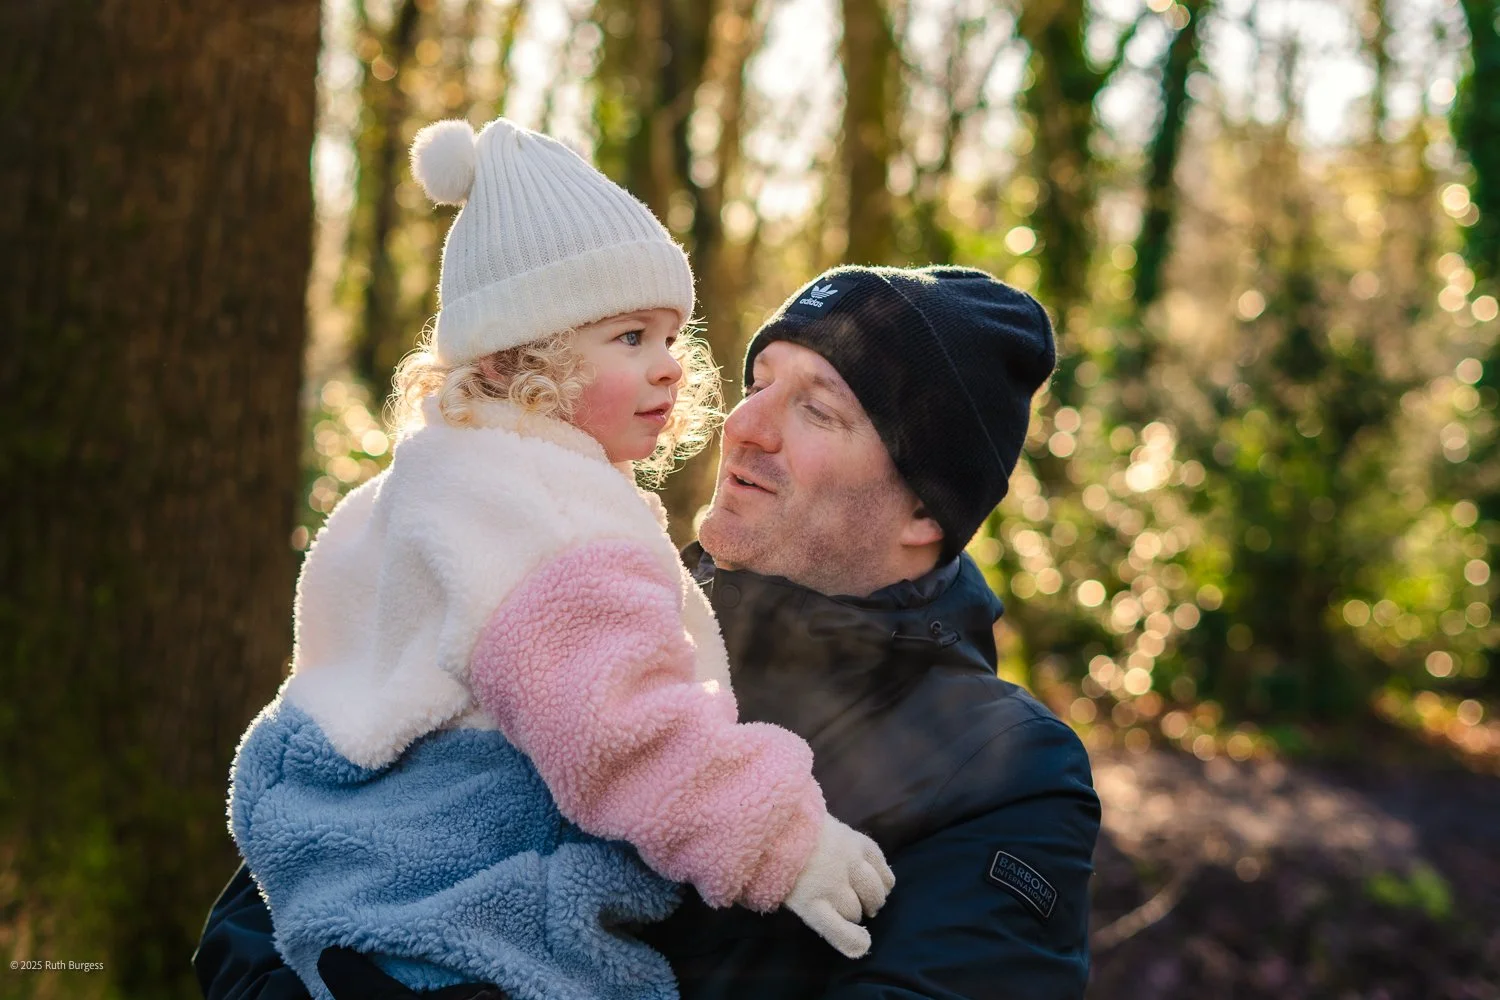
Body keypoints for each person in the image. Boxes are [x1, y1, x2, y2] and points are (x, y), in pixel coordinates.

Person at [196, 260, 1101, 999]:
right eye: (757, 385)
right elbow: (266, 895)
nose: (743, 427)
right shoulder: (570, 607)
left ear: (923, 513)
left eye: (818, 408)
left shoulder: (1009, 775)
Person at [220, 115, 894, 1000]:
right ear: (521, 356)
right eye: (627, 338)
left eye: (668, 336)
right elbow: (616, 725)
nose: (668, 368)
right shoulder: (541, 507)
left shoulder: (430, 477)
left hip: (356, 882)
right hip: (463, 908)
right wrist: (780, 839)